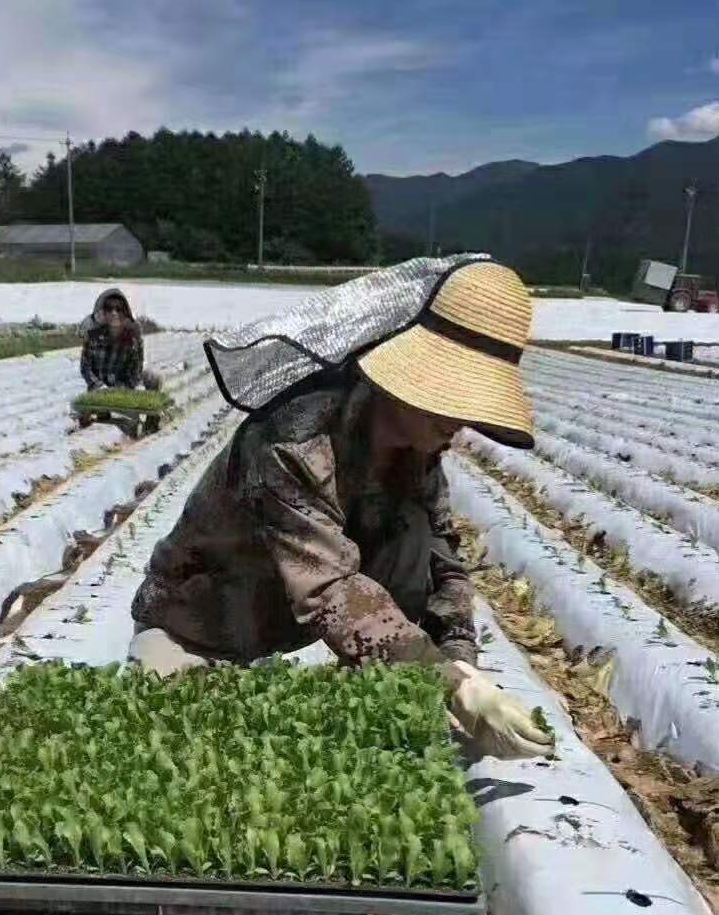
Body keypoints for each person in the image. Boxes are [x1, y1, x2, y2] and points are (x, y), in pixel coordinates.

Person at [129, 256, 553, 761]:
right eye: (456, 398)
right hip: (200, 625)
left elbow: (446, 569)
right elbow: (329, 588)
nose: (462, 423)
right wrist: (443, 681)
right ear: (410, 378)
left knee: (414, 534)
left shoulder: (417, 460)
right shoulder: (292, 444)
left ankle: (385, 679)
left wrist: (461, 664)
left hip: (282, 630)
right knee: (178, 751)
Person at [80, 289, 146, 391]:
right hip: (98, 390)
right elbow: (85, 368)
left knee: (152, 377)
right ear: (104, 313)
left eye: (119, 309)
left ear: (125, 313)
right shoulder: (92, 337)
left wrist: (124, 388)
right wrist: (99, 386)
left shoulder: (135, 341)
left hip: (124, 389)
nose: (114, 313)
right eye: (109, 308)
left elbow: (136, 373)